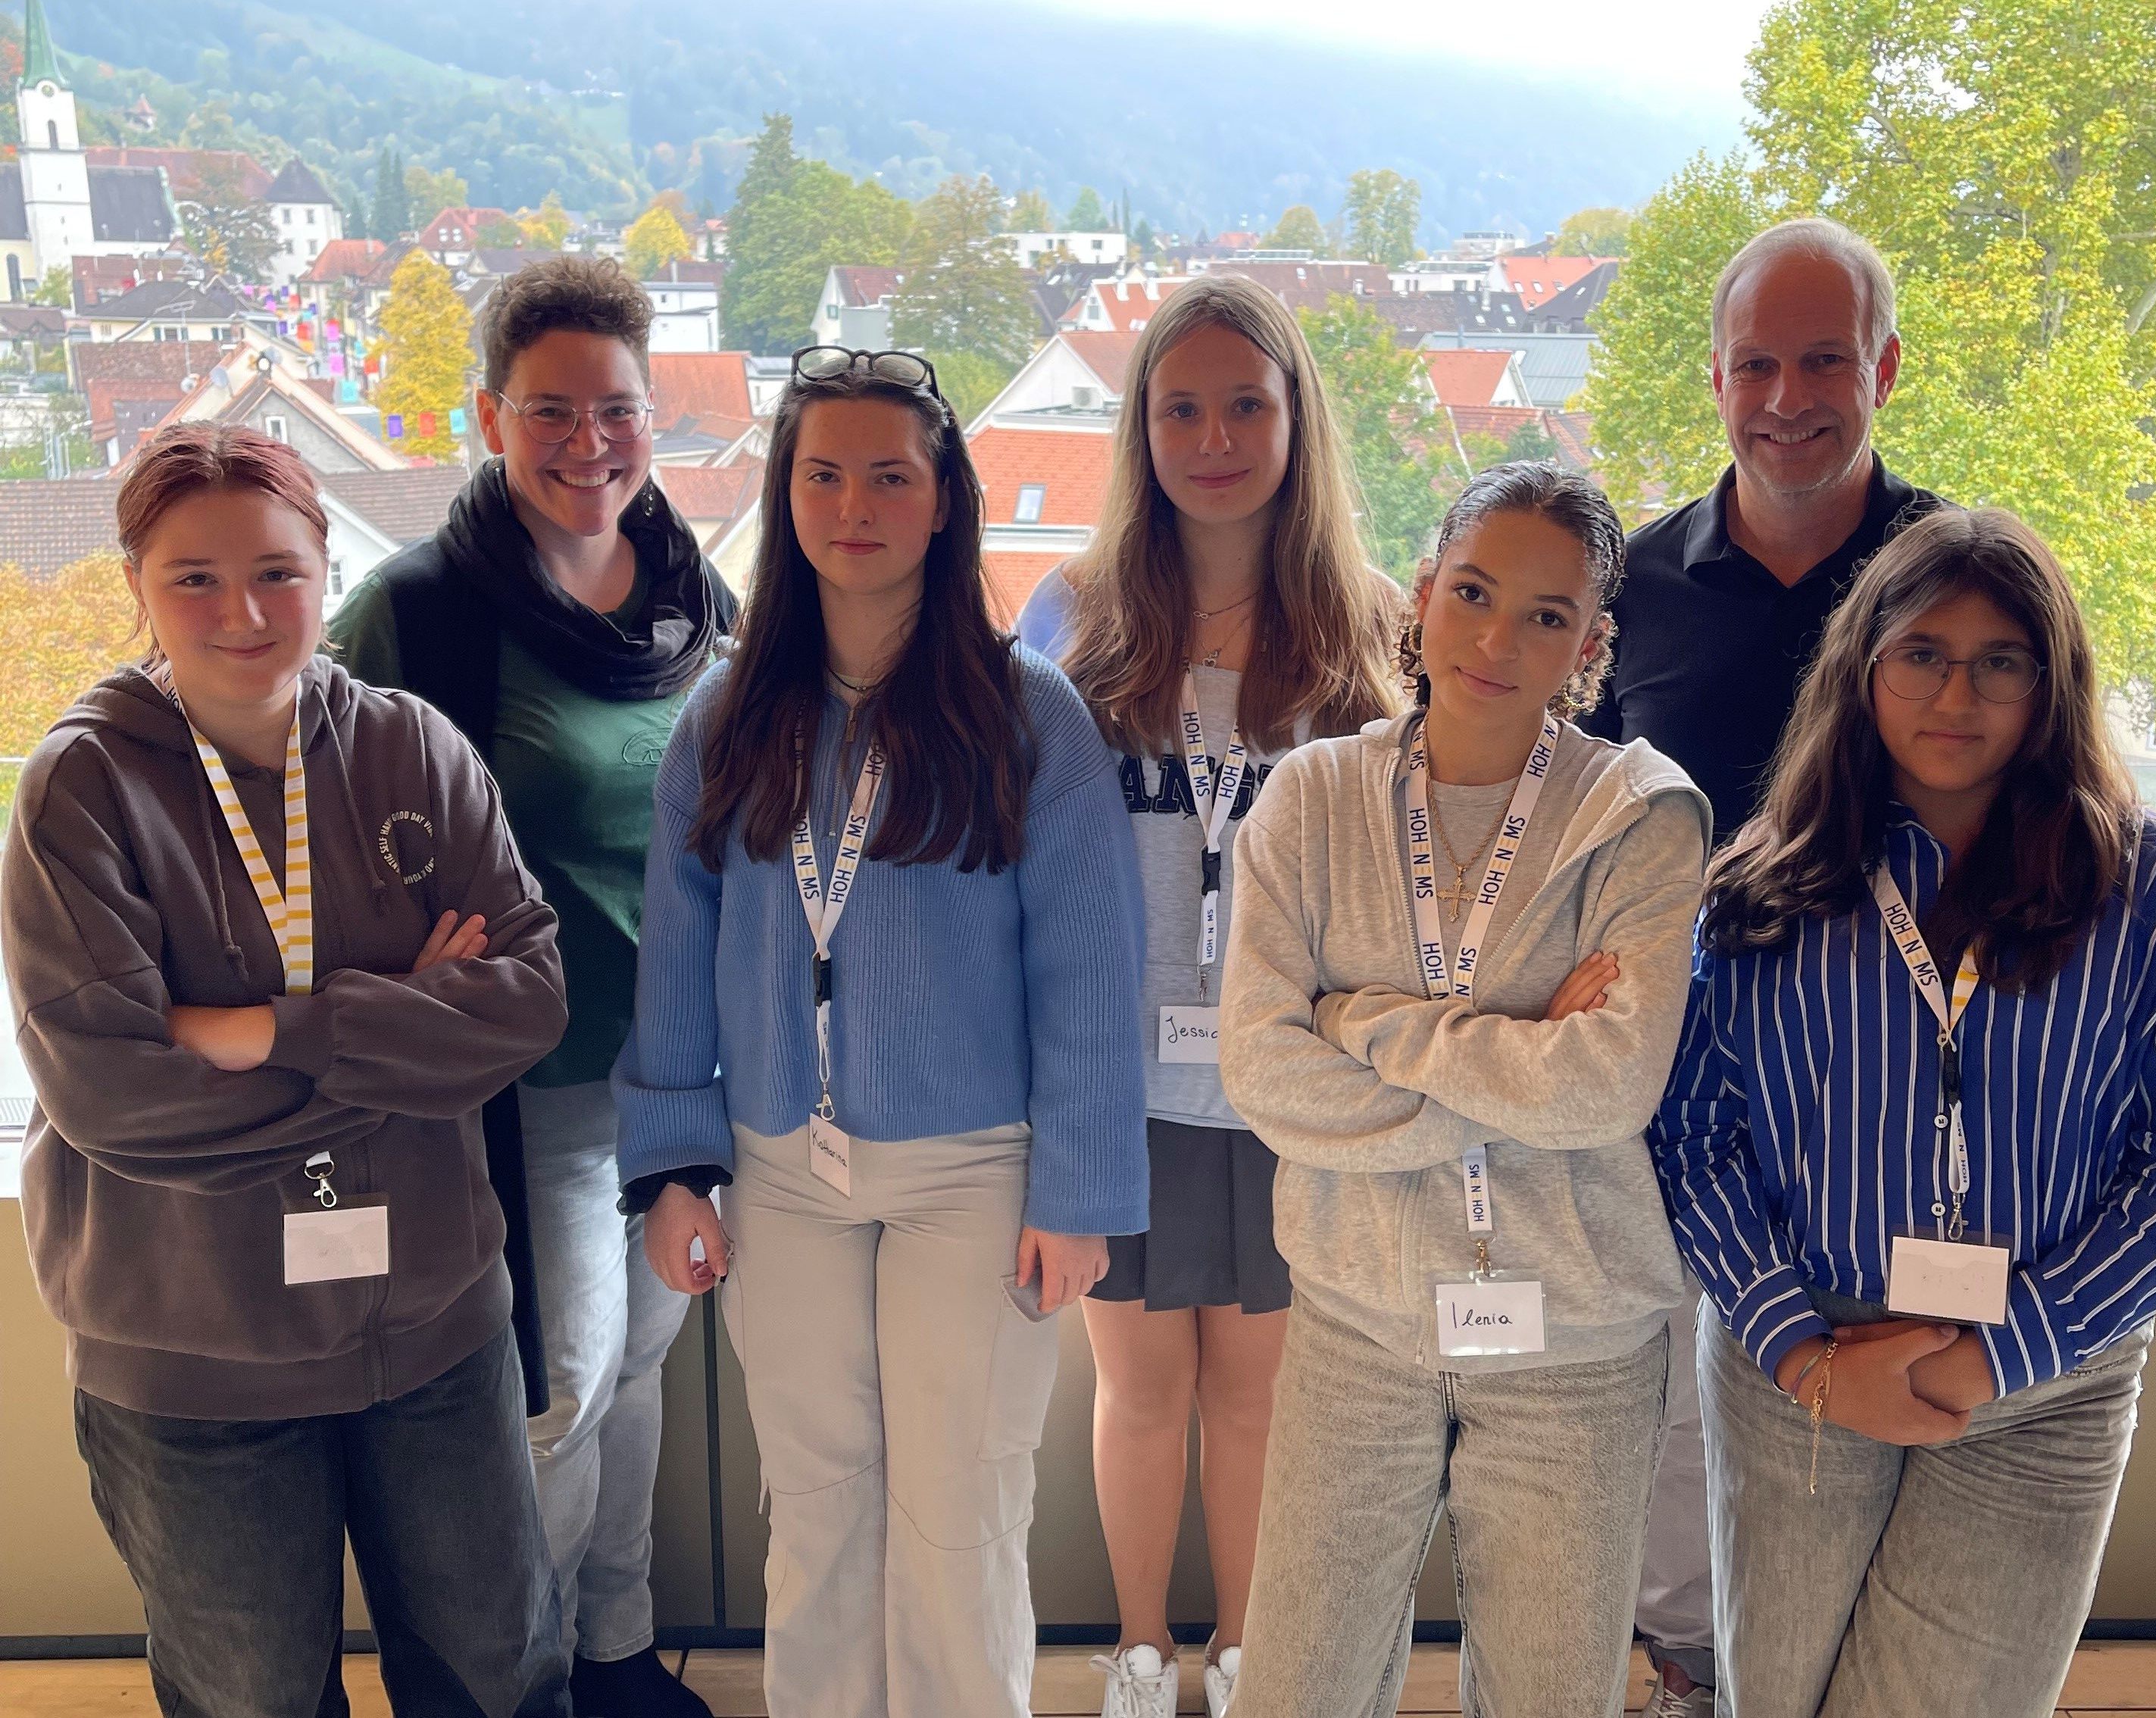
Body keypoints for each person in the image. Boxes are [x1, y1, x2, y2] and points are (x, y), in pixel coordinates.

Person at [1648, 507, 2156, 1717]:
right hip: (1800, 1372)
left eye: (2001, 662)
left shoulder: (2154, 892)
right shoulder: (1759, 892)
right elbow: (1691, 1143)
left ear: (2051, 683)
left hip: (2043, 1382)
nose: (1958, 694)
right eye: (1923, 653)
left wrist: (2004, 1355)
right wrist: (1803, 1354)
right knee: (1775, 1700)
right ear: (1864, 667)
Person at [2, 424, 573, 1718]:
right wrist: (415, 1029)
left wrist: (270, 1031)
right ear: (135, 584)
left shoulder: (412, 749)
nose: (243, 611)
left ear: (326, 563)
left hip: (435, 1323)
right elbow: (113, 1098)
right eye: (192, 576)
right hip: (197, 1353)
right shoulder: (78, 791)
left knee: (500, 1673)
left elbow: (530, 1000)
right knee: (250, 1697)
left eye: (276, 569)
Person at [616, 345, 1150, 1718]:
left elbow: (1090, 971)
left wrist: (1079, 1191)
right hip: (779, 1168)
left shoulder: (1030, 715)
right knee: (818, 1502)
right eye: (823, 472)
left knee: (960, 1508)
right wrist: (675, 1165)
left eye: (890, 476)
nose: (854, 503)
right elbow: (675, 954)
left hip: (977, 1175)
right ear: (785, 493)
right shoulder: (725, 716)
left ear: (943, 498)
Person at [1218, 462, 1712, 1718]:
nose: (1498, 639)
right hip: (1358, 1325)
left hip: (1579, 1346)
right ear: (1424, 594)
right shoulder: (1310, 798)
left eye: (1547, 616)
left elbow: (1607, 1089)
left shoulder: (1641, 816)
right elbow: (1267, 1073)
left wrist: (1367, 1021)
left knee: (1555, 1695)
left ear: (1591, 646)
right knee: (1299, 1690)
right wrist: (1514, 1052)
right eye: (1475, 593)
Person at [331, 257, 733, 1718]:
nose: (587, 441)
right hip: (534, 1086)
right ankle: (528, 1685)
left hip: (683, 1071)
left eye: (615, 408)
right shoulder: (422, 611)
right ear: (491, 416)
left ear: (650, 415)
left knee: (643, 1384)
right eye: (549, 409)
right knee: (560, 1398)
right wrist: (401, 953)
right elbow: (321, 803)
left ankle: (620, 1653)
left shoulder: (698, 589)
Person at [1015, 273, 1401, 1718]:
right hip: (1121, 1088)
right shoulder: (1078, 613)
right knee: (1138, 1392)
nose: (1216, 435)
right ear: (1141, 427)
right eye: (1181, 407)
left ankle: (1241, 1654)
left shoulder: (1367, 628)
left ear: (1297, 417)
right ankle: (1135, 1651)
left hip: (1295, 1091)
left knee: (1257, 1400)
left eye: (1247, 402)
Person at [1579, 217, 1945, 1717]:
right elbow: (1573, 817)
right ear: (1714, 375)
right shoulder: (1638, 584)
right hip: (1674, 1074)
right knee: (1675, 1406)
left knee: (1860, 1392)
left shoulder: (1955, 573)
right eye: (1757, 364)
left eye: (1824, 360)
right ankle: (1684, 1675)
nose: (1789, 395)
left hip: (1892, 1084)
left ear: (1887, 369)